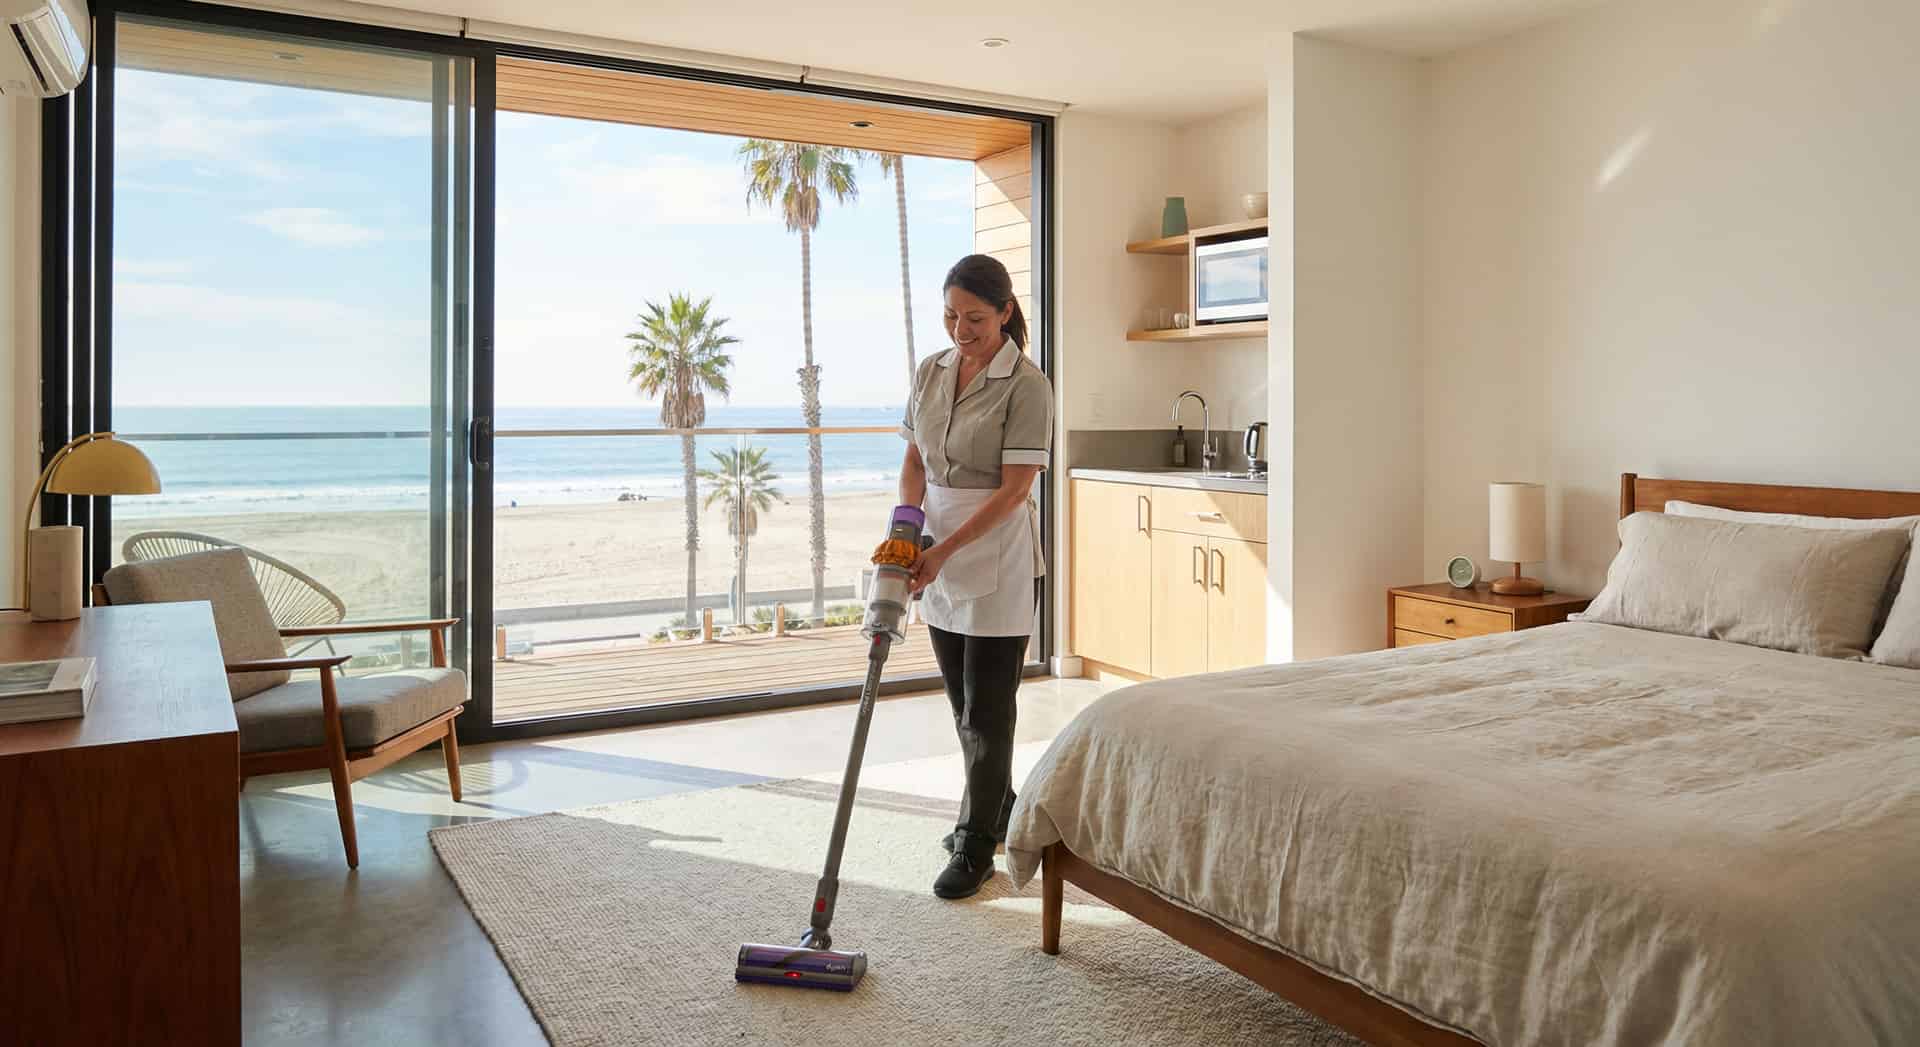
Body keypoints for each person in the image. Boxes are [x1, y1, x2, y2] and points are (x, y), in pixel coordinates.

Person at [895, 253, 1052, 899]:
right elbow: (913, 458)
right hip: (934, 543)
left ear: (1006, 311)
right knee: (964, 711)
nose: (960, 329)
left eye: (976, 318)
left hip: (995, 550)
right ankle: (1001, 803)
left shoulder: (1027, 384)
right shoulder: (931, 370)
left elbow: (1015, 490)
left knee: (988, 712)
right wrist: (907, 531)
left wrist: (942, 550)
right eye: (951, 315)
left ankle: (976, 844)